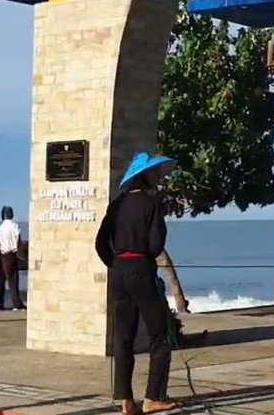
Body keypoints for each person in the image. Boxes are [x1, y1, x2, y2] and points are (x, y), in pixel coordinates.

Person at [95, 151, 178, 415]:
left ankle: (125, 400)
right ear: (145, 175)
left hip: (119, 271)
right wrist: (140, 261)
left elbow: (100, 243)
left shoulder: (116, 205)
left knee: (124, 337)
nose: (159, 178)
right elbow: (155, 244)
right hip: (141, 270)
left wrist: (116, 263)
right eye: (156, 173)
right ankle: (153, 396)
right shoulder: (151, 204)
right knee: (161, 334)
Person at [0, 206, 25, 311]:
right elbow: (18, 239)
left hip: (2, 254)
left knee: (0, 280)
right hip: (11, 253)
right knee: (13, 280)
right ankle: (16, 304)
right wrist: (18, 249)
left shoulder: (0, 227)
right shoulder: (15, 226)